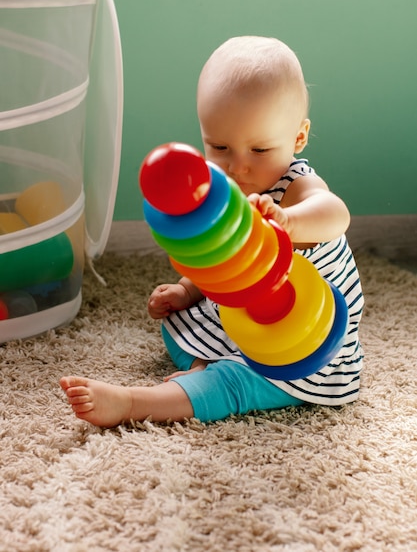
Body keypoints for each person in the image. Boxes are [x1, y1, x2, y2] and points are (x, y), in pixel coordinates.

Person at [60, 36, 364, 427]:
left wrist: (289, 221)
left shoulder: (295, 186)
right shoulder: (222, 187)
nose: (238, 167)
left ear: (299, 137)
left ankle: (136, 403)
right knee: (176, 324)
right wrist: (188, 289)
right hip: (244, 318)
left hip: (304, 349)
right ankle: (207, 362)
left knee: (231, 383)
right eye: (219, 146)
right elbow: (221, 258)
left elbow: (336, 214)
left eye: (259, 150)